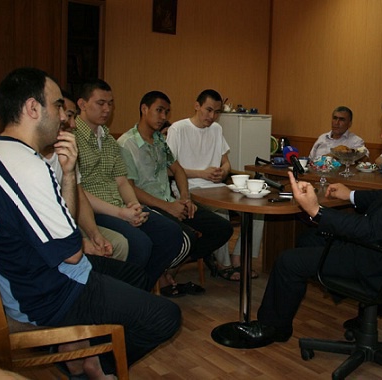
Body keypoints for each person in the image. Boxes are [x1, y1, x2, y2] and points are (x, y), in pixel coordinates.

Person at [234, 87, 382, 346]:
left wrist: (316, 210)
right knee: (310, 239)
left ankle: (271, 328)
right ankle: (365, 310)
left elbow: (371, 230)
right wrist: (351, 196)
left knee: (288, 261)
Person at [0, 67, 180, 376]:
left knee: (134, 275)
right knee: (165, 317)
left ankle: (81, 349)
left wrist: (68, 174)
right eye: (57, 106)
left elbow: (63, 222)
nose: (63, 116)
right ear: (32, 108)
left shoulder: (7, 152)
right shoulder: (27, 168)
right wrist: (86, 237)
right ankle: (89, 365)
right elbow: (72, 252)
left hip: (44, 272)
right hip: (50, 292)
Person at [117, 90, 233, 291]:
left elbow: (177, 169)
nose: (164, 117)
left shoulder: (159, 140)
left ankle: (168, 269)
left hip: (170, 201)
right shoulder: (126, 144)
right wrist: (169, 207)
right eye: (159, 111)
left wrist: (185, 199)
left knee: (222, 228)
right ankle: (151, 280)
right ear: (144, 109)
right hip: (146, 205)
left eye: (166, 112)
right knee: (185, 236)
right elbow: (130, 188)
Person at [74, 79, 184, 290]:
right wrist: (121, 213)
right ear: (82, 104)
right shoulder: (72, 137)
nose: (107, 109)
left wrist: (134, 206)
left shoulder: (106, 138)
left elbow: (122, 180)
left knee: (171, 233)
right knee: (140, 244)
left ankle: (141, 286)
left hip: (119, 206)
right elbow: (78, 192)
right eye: (100, 103)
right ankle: (124, 292)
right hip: (93, 209)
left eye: (110, 103)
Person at [167, 89, 261, 281]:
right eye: (208, 110)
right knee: (222, 213)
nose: (212, 116)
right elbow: (169, 170)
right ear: (197, 106)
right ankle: (223, 265)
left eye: (216, 112)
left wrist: (224, 171)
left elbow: (225, 162)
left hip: (216, 188)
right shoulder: (178, 129)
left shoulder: (216, 129)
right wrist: (202, 173)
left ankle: (239, 258)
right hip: (190, 189)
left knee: (258, 211)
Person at [42, 90, 129, 261]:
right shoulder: (33, 159)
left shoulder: (66, 150)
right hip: (61, 236)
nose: (72, 124)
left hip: (75, 222)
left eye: (110, 104)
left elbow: (79, 194)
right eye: (67, 115)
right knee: (132, 245)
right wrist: (81, 241)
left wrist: (95, 235)